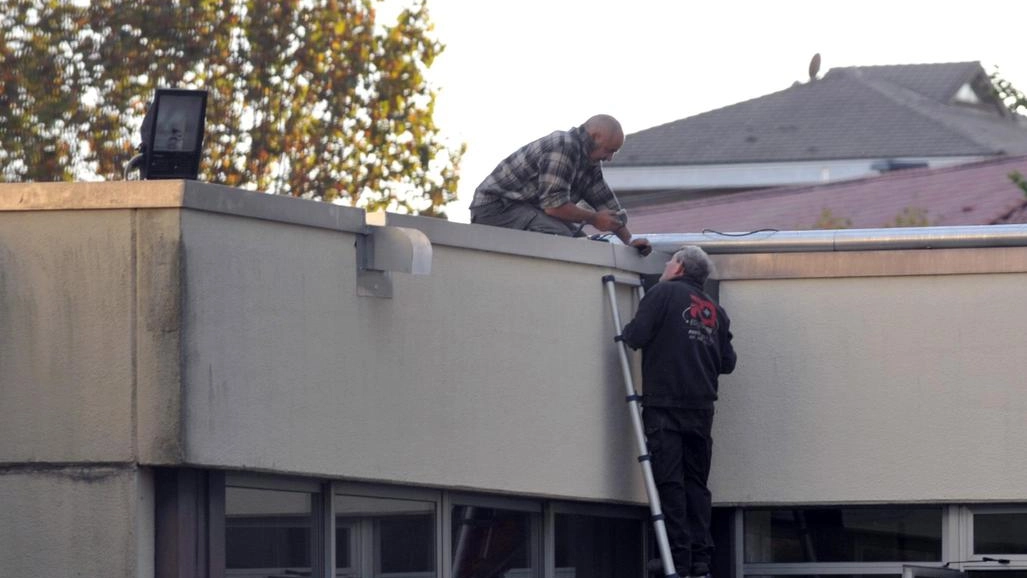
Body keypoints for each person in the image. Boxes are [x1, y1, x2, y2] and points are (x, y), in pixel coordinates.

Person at [620, 246, 737, 578]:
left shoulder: (664, 293)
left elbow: (637, 335)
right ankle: (700, 557)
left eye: (669, 261)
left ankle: (677, 560)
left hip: (665, 405)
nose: (666, 266)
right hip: (701, 409)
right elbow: (728, 363)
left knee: (670, 482)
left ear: (680, 267)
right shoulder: (716, 310)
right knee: (695, 485)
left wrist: (627, 333)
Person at [469, 114, 651, 255]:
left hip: (525, 209)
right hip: (496, 207)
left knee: (581, 242)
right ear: (595, 137)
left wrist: (629, 241)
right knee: (565, 240)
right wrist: (595, 218)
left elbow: (608, 208)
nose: (609, 158)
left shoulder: (590, 162)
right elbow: (554, 206)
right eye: (609, 150)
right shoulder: (564, 146)